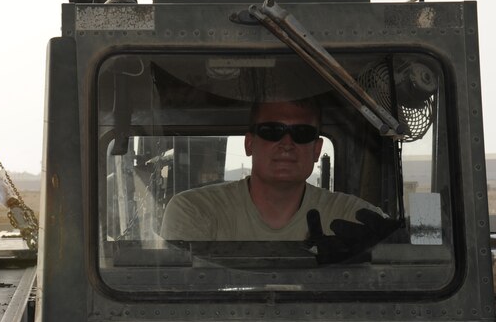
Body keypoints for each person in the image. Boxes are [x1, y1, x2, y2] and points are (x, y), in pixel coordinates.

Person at [160, 98, 383, 242]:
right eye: (272, 131)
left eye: (302, 133)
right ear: (249, 144)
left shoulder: (351, 215)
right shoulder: (196, 211)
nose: (287, 143)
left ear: (316, 150)